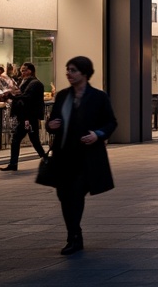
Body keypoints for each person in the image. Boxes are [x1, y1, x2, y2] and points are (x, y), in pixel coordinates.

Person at [45, 56, 116, 255]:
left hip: (86, 157)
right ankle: (74, 233)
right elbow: (52, 122)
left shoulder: (98, 97)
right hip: (64, 155)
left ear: (84, 73)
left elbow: (111, 122)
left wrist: (98, 134)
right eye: (68, 69)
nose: (69, 73)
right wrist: (50, 126)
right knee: (63, 195)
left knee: (75, 194)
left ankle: (74, 236)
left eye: (73, 70)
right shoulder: (62, 96)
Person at [1, 62, 47, 171]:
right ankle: (46, 159)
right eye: (21, 70)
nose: (22, 72)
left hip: (29, 116)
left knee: (17, 138)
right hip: (27, 116)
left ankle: (13, 164)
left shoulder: (34, 83)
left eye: (24, 70)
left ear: (30, 70)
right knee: (34, 140)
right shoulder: (26, 82)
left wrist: (12, 96)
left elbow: (27, 97)